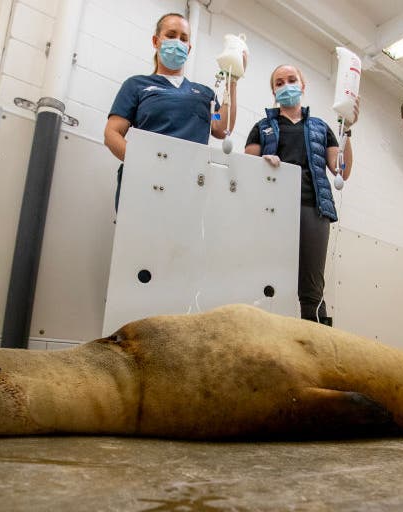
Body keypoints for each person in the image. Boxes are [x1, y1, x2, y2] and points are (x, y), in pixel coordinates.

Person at [244, 64, 358, 324]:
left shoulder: (320, 127)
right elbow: (246, 169)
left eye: (291, 80)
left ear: (302, 86)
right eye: (279, 82)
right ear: (273, 90)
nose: (286, 86)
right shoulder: (262, 127)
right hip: (271, 208)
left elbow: (342, 169)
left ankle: (317, 350)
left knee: (311, 287)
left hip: (312, 208)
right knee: (266, 279)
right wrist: (262, 162)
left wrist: (347, 129)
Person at [104, 12, 242, 209]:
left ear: (189, 48)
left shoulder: (205, 95)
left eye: (183, 38)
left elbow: (220, 127)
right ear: (156, 40)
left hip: (190, 185)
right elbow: (112, 133)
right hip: (143, 183)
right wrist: (143, 163)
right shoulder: (137, 86)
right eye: (171, 35)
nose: (177, 42)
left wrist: (233, 80)